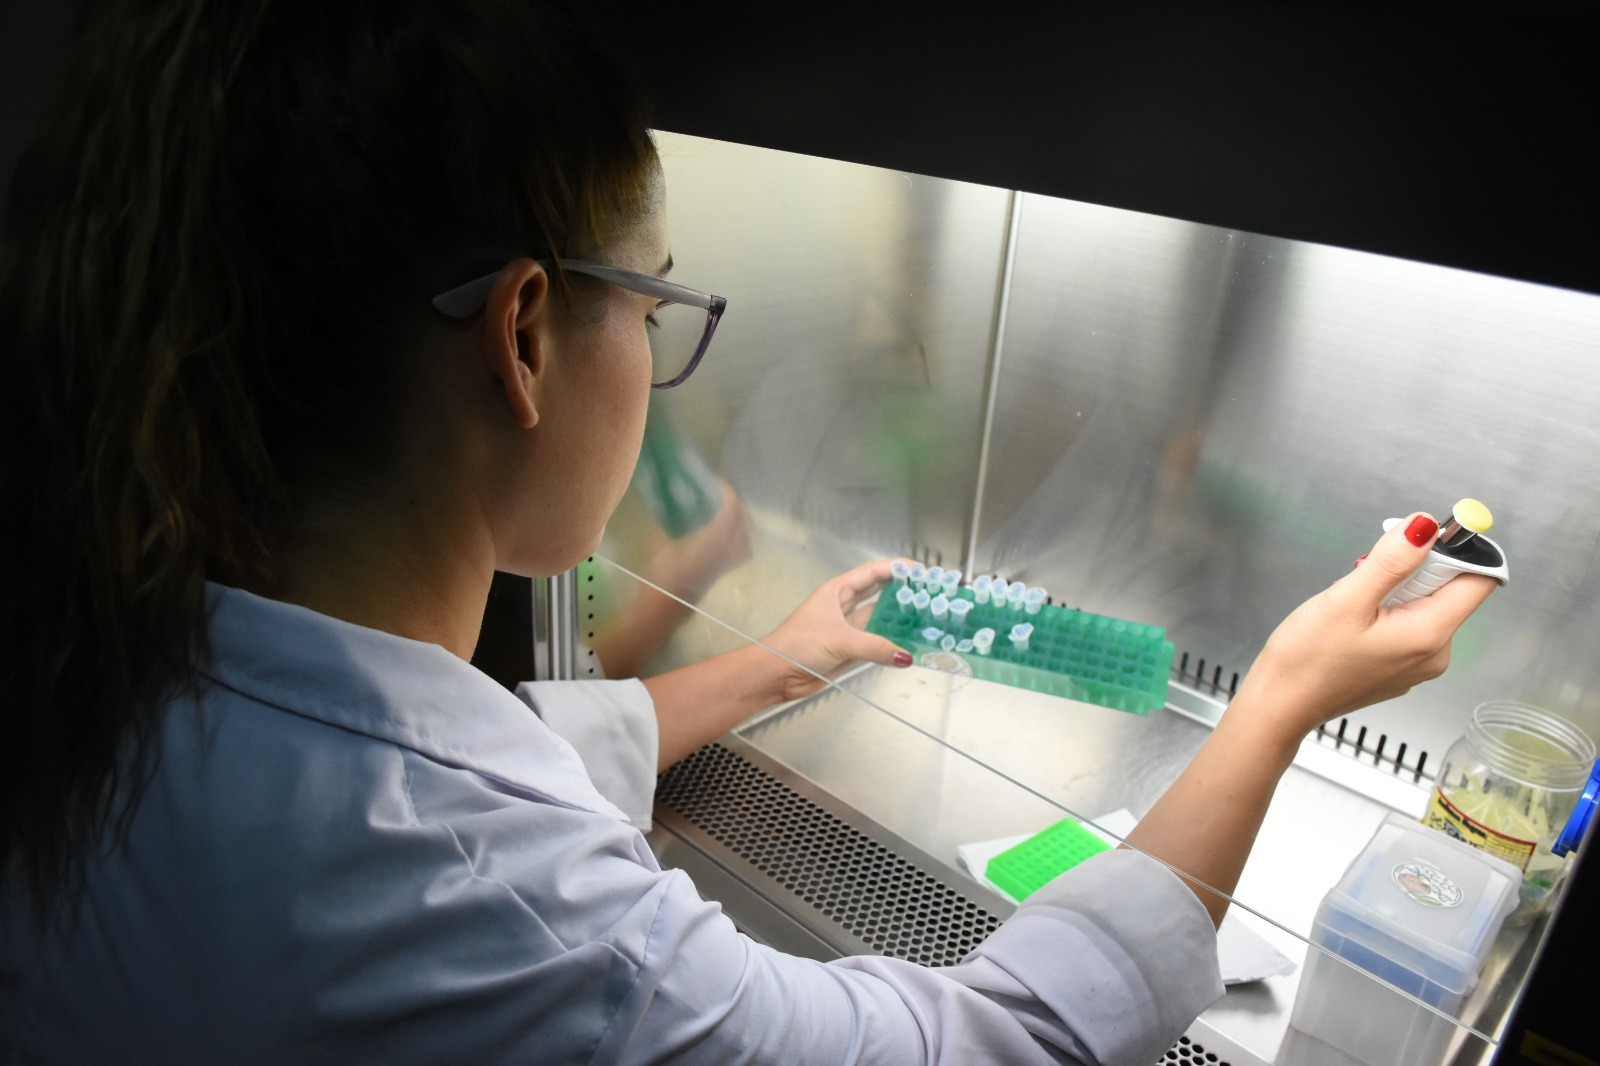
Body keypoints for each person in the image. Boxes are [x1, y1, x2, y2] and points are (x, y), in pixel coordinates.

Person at [0, 1, 1496, 1063]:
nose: (658, 353)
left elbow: (465, 753)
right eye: (654, 303)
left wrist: (785, 657)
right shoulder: (519, 924)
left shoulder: (120, 651)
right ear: (524, 336)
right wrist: (1281, 700)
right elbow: (989, 1039)